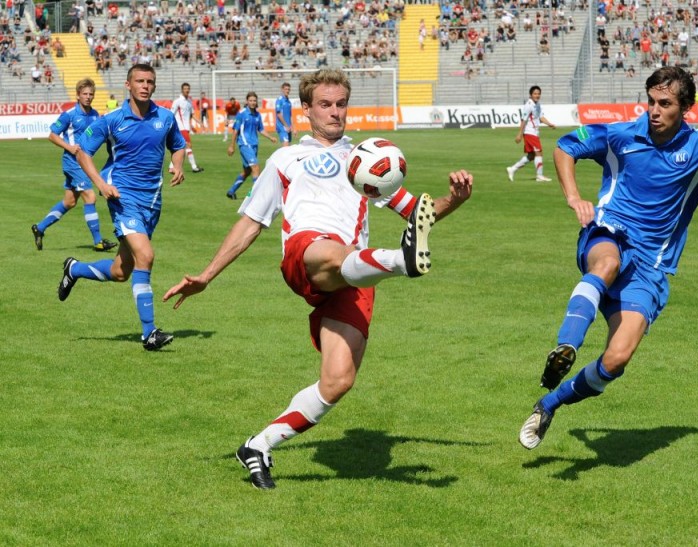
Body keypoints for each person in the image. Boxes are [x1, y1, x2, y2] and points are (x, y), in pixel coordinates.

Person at [163, 68, 473, 489]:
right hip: (306, 256)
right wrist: (206, 275)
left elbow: (420, 214)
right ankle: (400, 261)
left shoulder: (366, 160)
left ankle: (258, 444)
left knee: (338, 380)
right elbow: (251, 224)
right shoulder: (285, 159)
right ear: (305, 109)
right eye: (325, 105)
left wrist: (453, 199)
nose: (334, 113)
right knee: (332, 248)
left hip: (355, 273)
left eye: (341, 104)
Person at [519, 66, 698, 450]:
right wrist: (572, 197)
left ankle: (549, 403)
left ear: (685, 107)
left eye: (664, 103)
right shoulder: (619, 135)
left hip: (651, 265)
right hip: (608, 233)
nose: (653, 110)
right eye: (650, 101)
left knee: (616, 360)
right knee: (607, 264)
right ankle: (565, 346)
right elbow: (566, 146)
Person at [58, 64, 187, 351]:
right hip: (122, 197)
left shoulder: (165, 118)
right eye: (139, 81)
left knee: (121, 271)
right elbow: (83, 152)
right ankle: (149, 332)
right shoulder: (112, 120)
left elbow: (177, 145)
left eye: (150, 81)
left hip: (152, 201)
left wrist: (177, 165)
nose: (145, 85)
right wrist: (100, 185)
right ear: (128, 85)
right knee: (146, 255)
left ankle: (75, 269)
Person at [32, 78, 117, 253]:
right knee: (90, 197)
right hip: (72, 163)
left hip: (84, 163)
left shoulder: (95, 115)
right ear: (78, 95)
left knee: (69, 202)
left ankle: (40, 228)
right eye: (84, 94)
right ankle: (98, 241)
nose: (88, 97)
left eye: (91, 94)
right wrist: (69, 147)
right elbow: (52, 135)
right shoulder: (69, 114)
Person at [224, 91, 277, 199]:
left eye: (254, 100)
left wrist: (270, 137)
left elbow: (261, 129)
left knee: (247, 171)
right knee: (256, 168)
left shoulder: (257, 115)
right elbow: (235, 130)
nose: (252, 102)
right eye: (250, 100)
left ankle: (231, 191)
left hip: (254, 145)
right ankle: (255, 196)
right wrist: (231, 145)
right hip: (245, 144)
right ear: (247, 101)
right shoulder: (242, 114)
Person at [506, 85, 556, 183]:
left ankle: (512, 169)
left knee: (531, 156)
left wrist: (549, 124)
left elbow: (541, 117)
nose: (537, 95)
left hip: (535, 132)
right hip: (529, 132)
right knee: (539, 152)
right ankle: (539, 176)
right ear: (531, 95)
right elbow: (523, 120)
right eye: (535, 94)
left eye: (538, 94)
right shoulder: (528, 105)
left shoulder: (537, 104)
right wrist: (520, 134)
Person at [169, 82, 204, 173]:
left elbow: (191, 114)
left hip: (186, 128)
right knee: (188, 146)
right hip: (180, 128)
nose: (187, 90)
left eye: (188, 89)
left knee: (181, 147)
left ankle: (171, 166)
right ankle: (194, 167)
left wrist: (199, 122)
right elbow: (171, 114)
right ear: (182, 90)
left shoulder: (189, 101)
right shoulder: (177, 101)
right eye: (185, 89)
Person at [275, 81, 295, 147]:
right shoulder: (279, 100)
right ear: (282, 89)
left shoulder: (288, 101)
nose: (287, 91)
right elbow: (279, 114)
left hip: (288, 127)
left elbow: (290, 115)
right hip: (282, 126)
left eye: (289, 89)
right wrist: (286, 125)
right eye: (286, 89)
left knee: (288, 148)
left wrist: (293, 127)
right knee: (286, 146)